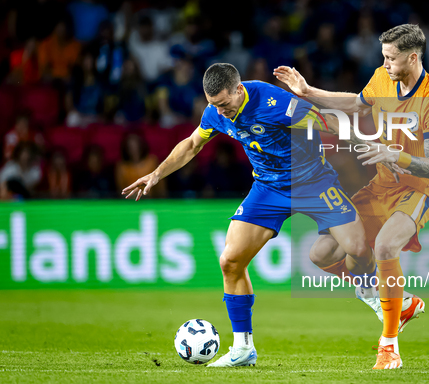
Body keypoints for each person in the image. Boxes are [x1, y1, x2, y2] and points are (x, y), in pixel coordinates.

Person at [122, 63, 396, 367]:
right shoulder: (215, 111)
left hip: (312, 181)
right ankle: (243, 348)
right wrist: (157, 174)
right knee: (230, 261)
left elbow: (327, 122)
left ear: (239, 90)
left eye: (225, 103)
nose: (221, 112)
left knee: (357, 248)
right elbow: (192, 145)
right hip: (269, 188)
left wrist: (372, 143)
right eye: (214, 105)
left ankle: (369, 288)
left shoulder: (275, 103)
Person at [274, 23, 429, 369]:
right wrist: (308, 91)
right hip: (382, 184)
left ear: (413, 57)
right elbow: (355, 104)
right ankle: (392, 300)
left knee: (385, 247)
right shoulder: (382, 78)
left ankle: (389, 347)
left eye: (391, 57)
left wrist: (394, 156)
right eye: (383, 56)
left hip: (418, 189)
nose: (385, 63)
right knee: (321, 253)